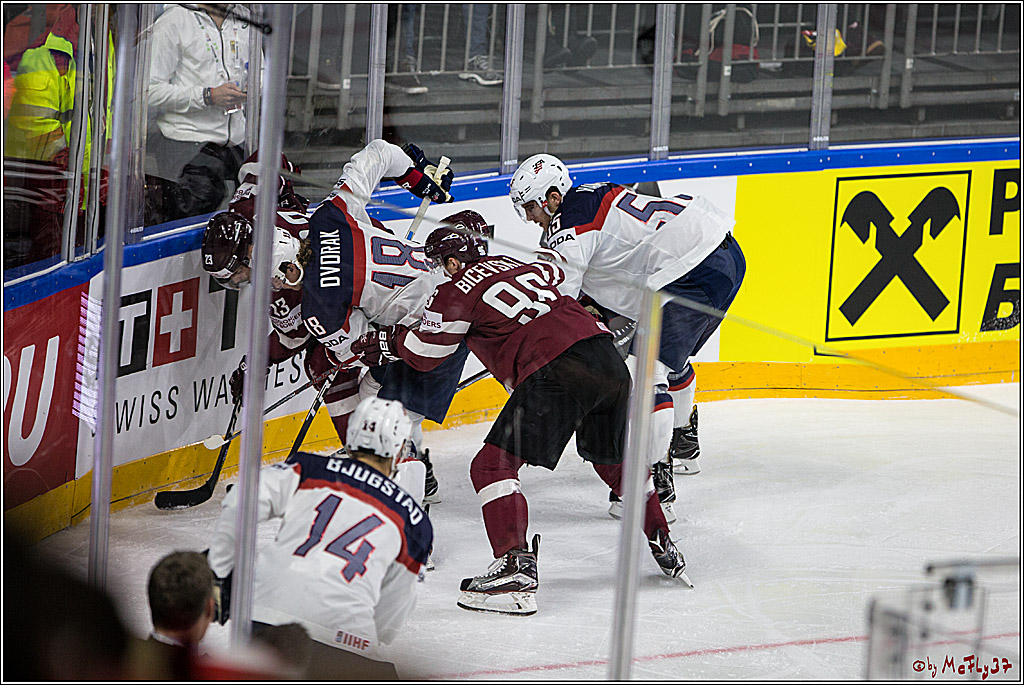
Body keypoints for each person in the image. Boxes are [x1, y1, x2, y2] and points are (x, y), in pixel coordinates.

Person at [350, 211, 692, 616]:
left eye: (440, 264)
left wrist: (386, 343)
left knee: (491, 467)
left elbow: (427, 354)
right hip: (607, 362)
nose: (438, 273)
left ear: (455, 263)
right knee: (614, 464)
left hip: (557, 369)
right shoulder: (522, 265)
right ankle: (661, 537)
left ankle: (514, 568)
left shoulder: (455, 289)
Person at [200, 150, 443, 504]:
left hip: (425, 323)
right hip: (410, 267)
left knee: (368, 397)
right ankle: (385, 459)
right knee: (356, 374)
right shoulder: (328, 214)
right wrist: (414, 176)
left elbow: (322, 342)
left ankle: (392, 475)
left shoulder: (314, 308)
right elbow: (269, 159)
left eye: (239, 274)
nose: (242, 281)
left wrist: (263, 360)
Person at [509, 154, 746, 479]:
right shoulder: (592, 194)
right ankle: (683, 443)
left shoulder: (567, 222)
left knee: (644, 371)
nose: (530, 218)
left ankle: (653, 483)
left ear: (552, 198)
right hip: (725, 256)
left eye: (531, 208)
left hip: (691, 269)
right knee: (669, 359)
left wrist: (528, 352)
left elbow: (557, 300)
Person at [207, 397, 433, 679]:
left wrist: (219, 572)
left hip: (267, 612)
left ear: (350, 439)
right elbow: (392, 613)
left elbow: (239, 502)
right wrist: (374, 634)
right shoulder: (414, 521)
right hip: (346, 634)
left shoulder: (308, 469)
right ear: (400, 449)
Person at [300, 138, 470, 484]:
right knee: (392, 399)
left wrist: (330, 358)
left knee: (376, 402)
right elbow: (378, 151)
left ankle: (406, 479)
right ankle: (413, 464)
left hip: (434, 329)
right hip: (448, 295)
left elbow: (361, 351)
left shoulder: (320, 304)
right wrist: (416, 178)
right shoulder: (331, 215)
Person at [3, 3, 113, 267]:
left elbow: (105, 113)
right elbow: (37, 129)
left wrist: (103, 172)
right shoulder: (44, 50)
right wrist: (77, 179)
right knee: (50, 271)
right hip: (53, 192)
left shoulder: (103, 38)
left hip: (86, 189)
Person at [147, 3, 251, 223]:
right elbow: (149, 91)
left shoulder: (245, 17)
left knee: (234, 235)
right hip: (187, 147)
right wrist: (206, 96)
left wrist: (252, 88)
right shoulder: (174, 20)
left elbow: (260, 72)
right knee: (187, 236)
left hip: (236, 146)